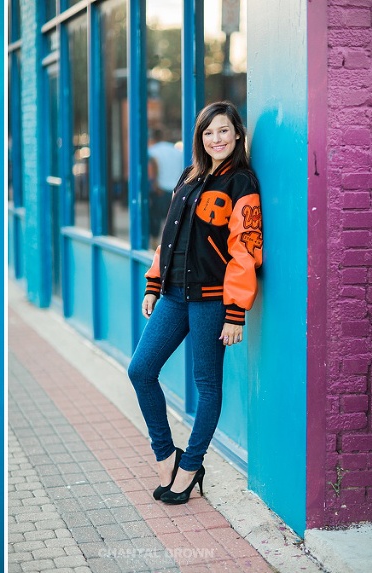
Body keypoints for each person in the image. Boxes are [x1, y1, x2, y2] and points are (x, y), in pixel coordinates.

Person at [128, 101, 262, 505]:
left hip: (212, 301)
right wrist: (154, 284)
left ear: (237, 134)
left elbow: (245, 250)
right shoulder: (189, 176)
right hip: (173, 295)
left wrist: (236, 311)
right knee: (140, 370)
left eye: (223, 131)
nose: (216, 139)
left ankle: (191, 466)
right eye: (208, 132)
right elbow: (168, 237)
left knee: (207, 385)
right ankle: (166, 453)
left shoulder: (242, 182)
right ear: (199, 138)